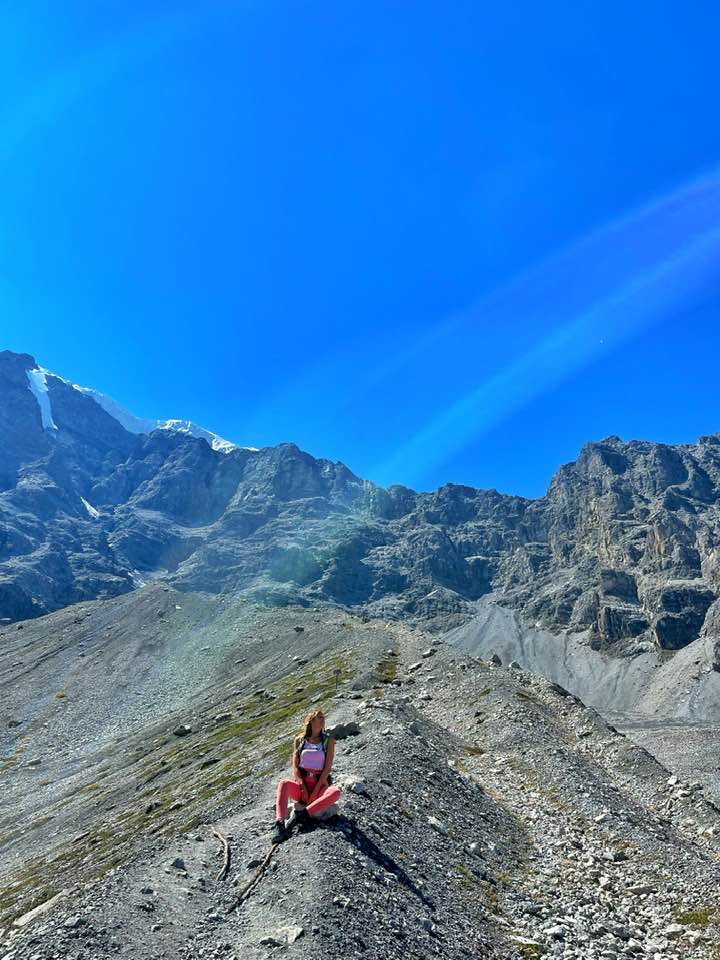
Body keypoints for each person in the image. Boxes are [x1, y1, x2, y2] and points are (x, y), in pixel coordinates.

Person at [272, 708, 341, 842]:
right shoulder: (299, 740)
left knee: (336, 792)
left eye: (323, 717)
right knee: (284, 783)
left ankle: (301, 815)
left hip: (319, 784)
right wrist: (303, 787)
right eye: (319, 717)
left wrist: (315, 791)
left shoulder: (328, 741)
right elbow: (296, 767)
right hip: (302, 786)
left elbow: (327, 769)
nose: (323, 720)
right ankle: (279, 824)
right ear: (311, 720)